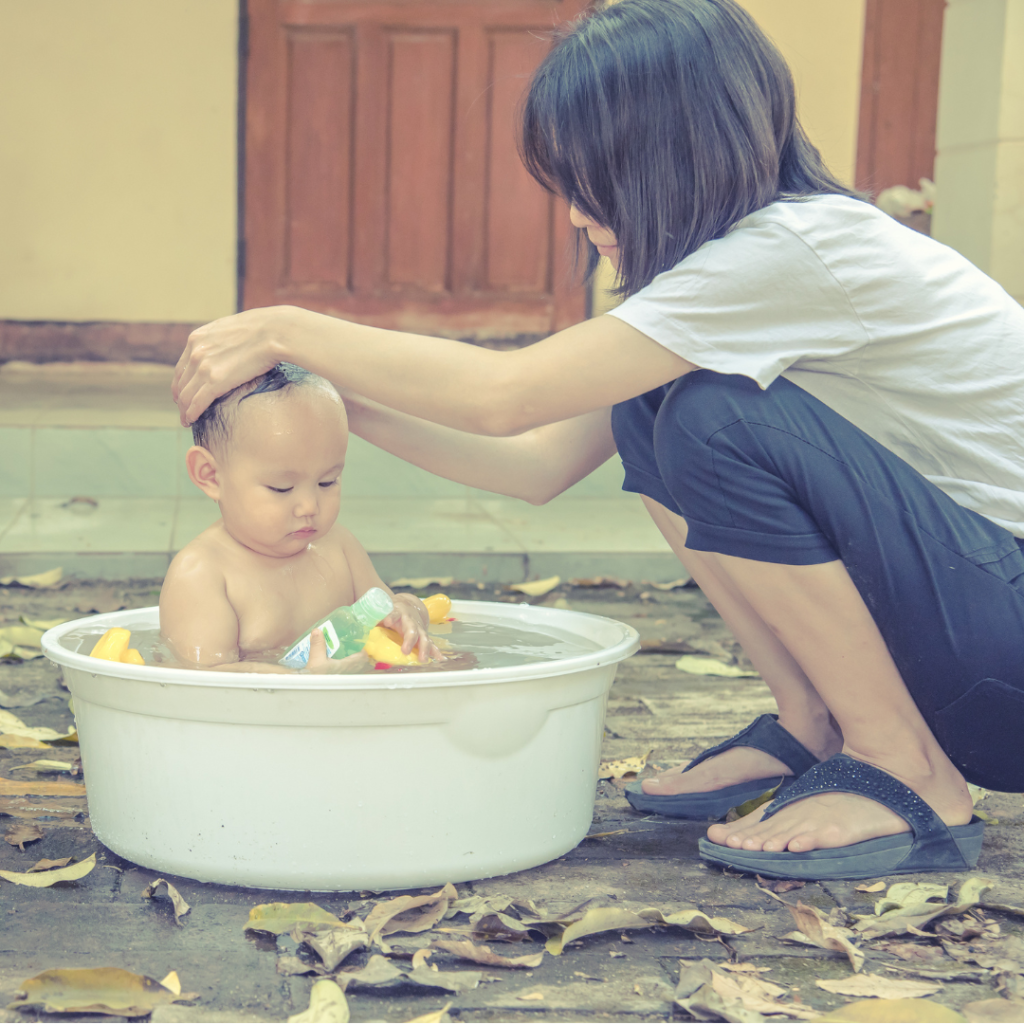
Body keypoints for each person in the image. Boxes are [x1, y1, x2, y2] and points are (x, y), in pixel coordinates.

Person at [171, 0, 1024, 879]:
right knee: (651, 410)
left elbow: (504, 396)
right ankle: (818, 723)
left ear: (680, 156)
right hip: (976, 627)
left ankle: (905, 765)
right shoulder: (735, 274)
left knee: (710, 419)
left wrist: (286, 328)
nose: (578, 214)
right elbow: (532, 463)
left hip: (1007, 645)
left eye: (597, 179)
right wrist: (335, 401)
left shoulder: (790, 252)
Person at [160, 363, 438, 672]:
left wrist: (407, 612)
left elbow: (388, 607)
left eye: (327, 482)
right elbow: (201, 680)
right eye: (282, 488)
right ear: (210, 476)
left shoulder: (338, 547)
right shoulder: (202, 574)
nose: (309, 506)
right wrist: (301, 683)